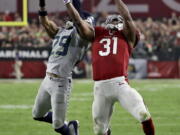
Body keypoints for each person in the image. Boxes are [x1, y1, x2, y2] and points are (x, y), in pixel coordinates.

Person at [63, 0, 155, 135]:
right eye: (112, 21)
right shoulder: (97, 33)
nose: (114, 23)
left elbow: (127, 18)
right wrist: (68, 3)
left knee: (143, 114)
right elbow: (79, 22)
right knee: (100, 131)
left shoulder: (127, 36)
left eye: (117, 21)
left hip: (120, 84)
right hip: (100, 88)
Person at [32, 0, 94, 135]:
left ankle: (72, 130)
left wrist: (68, 2)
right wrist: (42, 6)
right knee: (37, 114)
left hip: (61, 82)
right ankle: (70, 127)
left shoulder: (85, 36)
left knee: (58, 126)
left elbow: (79, 22)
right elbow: (46, 23)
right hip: (47, 78)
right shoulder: (63, 31)